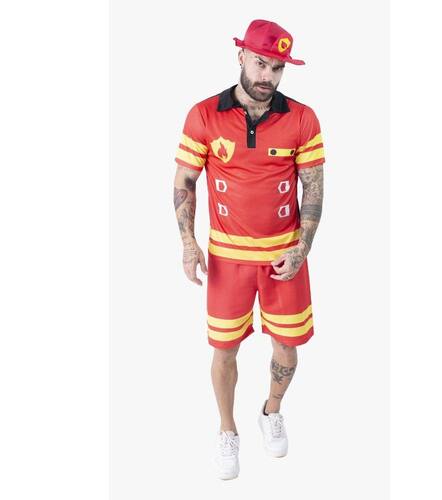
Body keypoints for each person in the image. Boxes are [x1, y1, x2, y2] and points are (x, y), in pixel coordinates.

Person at [173, 19, 325, 480]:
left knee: (288, 347)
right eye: (260, 64)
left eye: (277, 68)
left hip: (284, 256)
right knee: (224, 349)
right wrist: (188, 242)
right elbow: (185, 181)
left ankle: (271, 410)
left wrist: (302, 249)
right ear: (241, 56)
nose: (267, 76)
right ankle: (227, 429)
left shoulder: (302, 118)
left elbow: (314, 189)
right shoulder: (204, 115)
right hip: (228, 257)